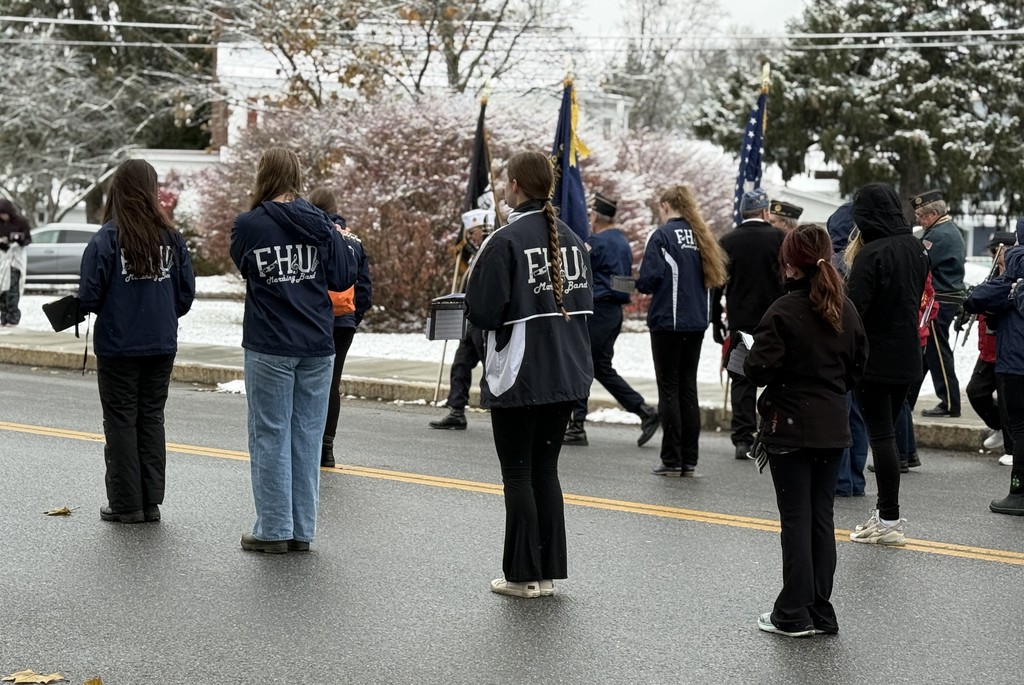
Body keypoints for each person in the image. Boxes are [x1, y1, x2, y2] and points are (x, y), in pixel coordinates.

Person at [465, 151, 593, 598]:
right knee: (546, 473)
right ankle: (547, 574)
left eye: (505, 182)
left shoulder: (504, 240)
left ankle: (521, 576)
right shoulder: (574, 239)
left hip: (520, 374)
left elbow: (481, 309)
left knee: (518, 475)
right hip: (568, 371)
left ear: (516, 186)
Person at [745, 224, 867, 638]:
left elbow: (759, 368)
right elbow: (856, 368)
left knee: (796, 521)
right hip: (833, 427)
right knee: (820, 519)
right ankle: (820, 609)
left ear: (790, 263)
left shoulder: (783, 311)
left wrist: (752, 359)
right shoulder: (845, 309)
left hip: (790, 427)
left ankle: (793, 612)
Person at [230, 148, 355, 553]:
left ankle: (273, 528)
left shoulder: (250, 224)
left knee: (270, 434)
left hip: (270, 343)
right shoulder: (321, 223)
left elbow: (244, 266)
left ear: (263, 175)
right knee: (306, 435)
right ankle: (302, 529)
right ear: (297, 177)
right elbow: (341, 275)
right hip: (317, 342)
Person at [77, 159, 196, 523]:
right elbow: (185, 295)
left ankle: (127, 503)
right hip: (160, 343)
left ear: (118, 190)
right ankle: (151, 502)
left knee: (121, 420)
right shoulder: (171, 238)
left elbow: (90, 295)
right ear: (151, 191)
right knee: (150, 418)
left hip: (119, 344)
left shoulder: (107, 238)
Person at [846, 183, 929, 545]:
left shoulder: (871, 254)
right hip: (908, 354)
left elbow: (855, 309)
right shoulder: (915, 247)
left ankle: (889, 517)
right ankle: (885, 513)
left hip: (875, 357)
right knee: (888, 435)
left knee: (881, 437)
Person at [637, 185, 728, 476]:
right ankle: (689, 458)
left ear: (665, 206)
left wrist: (637, 285)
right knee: (688, 388)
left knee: (669, 389)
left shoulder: (662, 236)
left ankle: (671, 457)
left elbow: (650, 278)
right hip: (695, 321)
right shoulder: (702, 236)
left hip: (668, 321)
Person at [564, 192, 659, 448]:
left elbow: (578, 271)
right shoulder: (622, 242)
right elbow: (623, 281)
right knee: (600, 368)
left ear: (595, 216)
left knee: (581, 365)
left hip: (598, 309)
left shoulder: (597, 242)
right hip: (614, 311)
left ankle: (576, 425)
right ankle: (644, 411)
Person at [711, 188, 786, 459]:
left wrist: (714, 320)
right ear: (766, 211)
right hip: (774, 321)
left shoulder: (727, 241)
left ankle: (743, 437)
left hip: (740, 322)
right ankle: (775, 431)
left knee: (742, 379)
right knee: (779, 377)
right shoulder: (779, 238)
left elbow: (717, 284)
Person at [308, 188, 373, 468]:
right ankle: (327, 448)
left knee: (311, 384)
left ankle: (308, 446)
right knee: (332, 384)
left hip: (316, 319)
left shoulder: (313, 237)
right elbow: (366, 291)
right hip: (343, 322)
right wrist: (352, 319)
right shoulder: (354, 241)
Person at [965, 219, 1024, 515]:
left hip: (1014, 359)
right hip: (1002, 355)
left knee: (1020, 426)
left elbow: (979, 298)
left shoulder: (1015, 274)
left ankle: (1018, 491)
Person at [429, 209, 491, 431]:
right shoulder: (475, 253)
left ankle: (501, 410)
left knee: (491, 367)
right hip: (470, 320)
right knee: (461, 364)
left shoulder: (492, 251)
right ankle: (456, 410)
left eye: (474, 231)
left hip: (484, 321)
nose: (471, 236)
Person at [911, 190, 966, 417]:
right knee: (927, 352)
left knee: (937, 353)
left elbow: (919, 263)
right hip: (943, 299)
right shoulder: (945, 230)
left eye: (921, 218)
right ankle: (908, 398)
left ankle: (950, 403)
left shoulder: (939, 235)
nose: (920, 223)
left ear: (933, 214)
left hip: (939, 301)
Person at [826, 203, 869, 497]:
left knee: (839, 413)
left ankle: (841, 480)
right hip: (864, 345)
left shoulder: (834, 266)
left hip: (840, 345)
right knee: (857, 416)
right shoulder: (868, 258)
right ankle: (855, 478)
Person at [965, 232, 1015, 466]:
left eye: (998, 251)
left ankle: (1012, 446)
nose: (995, 256)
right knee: (976, 392)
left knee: (1008, 402)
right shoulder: (993, 274)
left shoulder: (1014, 274)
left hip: (1006, 348)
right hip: (988, 348)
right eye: (993, 252)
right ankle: (998, 427)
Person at [0, 198, 32, 327]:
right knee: (2, 288)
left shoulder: (20, 222)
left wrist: (18, 239)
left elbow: (28, 239)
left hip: (15, 260)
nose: (2, 217)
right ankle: (4, 316)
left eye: (4, 214)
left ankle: (13, 317)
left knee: (13, 289)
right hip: (2, 258)